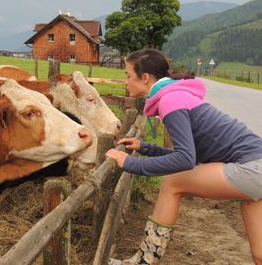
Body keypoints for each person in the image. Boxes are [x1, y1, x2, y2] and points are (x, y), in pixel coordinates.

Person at [106, 48, 262, 265]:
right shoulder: (176, 95)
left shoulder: (171, 100)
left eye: (128, 75)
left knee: (173, 182)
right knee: (259, 254)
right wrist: (146, 148)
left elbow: (185, 160)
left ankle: (144, 261)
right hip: (256, 168)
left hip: (251, 168)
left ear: (145, 78)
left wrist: (129, 162)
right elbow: (188, 154)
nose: (126, 81)